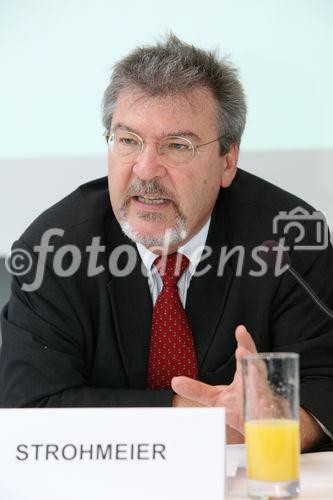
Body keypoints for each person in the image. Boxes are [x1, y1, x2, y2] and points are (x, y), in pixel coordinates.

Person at [1, 35, 332, 452]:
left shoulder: (289, 239)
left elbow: (326, 384)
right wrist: (197, 417)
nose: (145, 169)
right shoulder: (50, 249)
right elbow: (27, 408)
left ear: (227, 161)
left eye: (177, 146)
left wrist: (275, 423)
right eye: (127, 141)